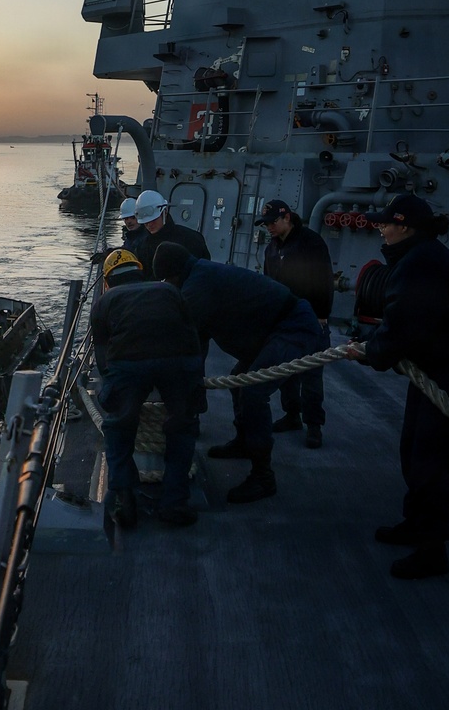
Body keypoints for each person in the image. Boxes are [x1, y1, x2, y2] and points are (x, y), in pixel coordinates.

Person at [347, 194, 449, 580]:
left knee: (433, 460)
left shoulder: (420, 265)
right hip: (437, 369)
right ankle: (415, 524)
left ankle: (432, 551)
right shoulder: (421, 258)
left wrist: (368, 352)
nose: (379, 227)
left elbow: (405, 327)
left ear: (405, 227)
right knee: (414, 449)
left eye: (385, 222)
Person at [153, 241, 324, 504]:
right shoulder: (198, 275)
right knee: (238, 380)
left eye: (166, 278)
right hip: (272, 329)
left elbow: (180, 333)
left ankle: (263, 477)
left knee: (254, 391)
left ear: (175, 273)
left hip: (293, 326)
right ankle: (245, 441)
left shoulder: (198, 285)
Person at [90, 248, 204, 529]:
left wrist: (114, 393)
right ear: (142, 272)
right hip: (176, 360)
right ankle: (174, 503)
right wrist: (192, 384)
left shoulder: (104, 302)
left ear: (107, 281)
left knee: (119, 429)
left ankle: (125, 501)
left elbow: (103, 356)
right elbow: (192, 335)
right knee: (182, 426)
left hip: (128, 364)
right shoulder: (169, 291)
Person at [258, 200, 334, 448]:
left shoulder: (311, 242)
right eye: (266, 224)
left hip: (311, 320)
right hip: (284, 320)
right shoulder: (271, 248)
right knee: (286, 372)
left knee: (311, 374)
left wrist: (321, 314)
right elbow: (269, 284)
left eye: (272, 222)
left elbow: (323, 278)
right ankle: (292, 416)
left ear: (287, 218)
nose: (269, 227)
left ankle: (314, 425)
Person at [133, 189, 210, 277]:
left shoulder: (191, 239)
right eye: (146, 222)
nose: (150, 224)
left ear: (165, 212)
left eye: (154, 219)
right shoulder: (141, 247)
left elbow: (203, 273)